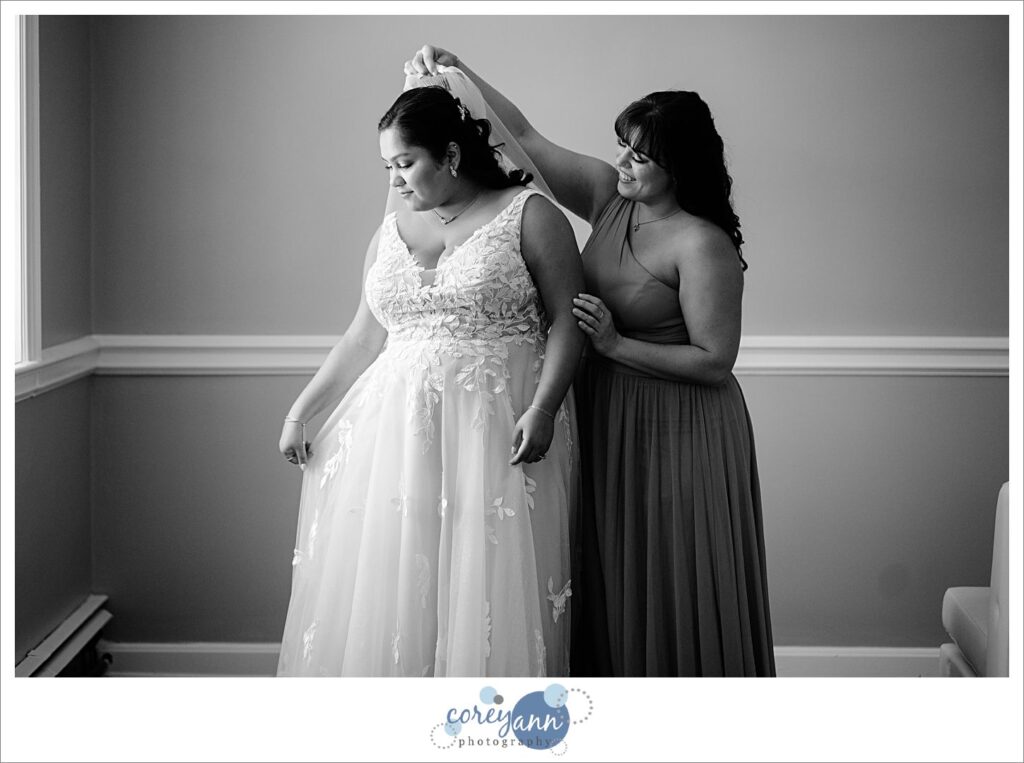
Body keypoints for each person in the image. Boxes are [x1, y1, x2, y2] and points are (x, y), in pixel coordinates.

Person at [405, 46, 775, 677]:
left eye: (640, 154)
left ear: (678, 166)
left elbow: (716, 360)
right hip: (605, 413)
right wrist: (458, 75)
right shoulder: (611, 198)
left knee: (670, 572)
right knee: (608, 567)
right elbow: (521, 136)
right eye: (623, 145)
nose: (623, 161)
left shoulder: (701, 242)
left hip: (680, 426)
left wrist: (614, 346)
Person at [275, 84, 585, 677]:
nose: (394, 181)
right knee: (401, 581)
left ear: (450, 154)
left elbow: (568, 323)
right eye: (387, 166)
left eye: (404, 163)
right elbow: (364, 336)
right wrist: (301, 411)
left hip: (493, 433)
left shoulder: (530, 215)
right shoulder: (391, 231)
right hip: (393, 441)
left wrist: (544, 409)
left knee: (483, 582)